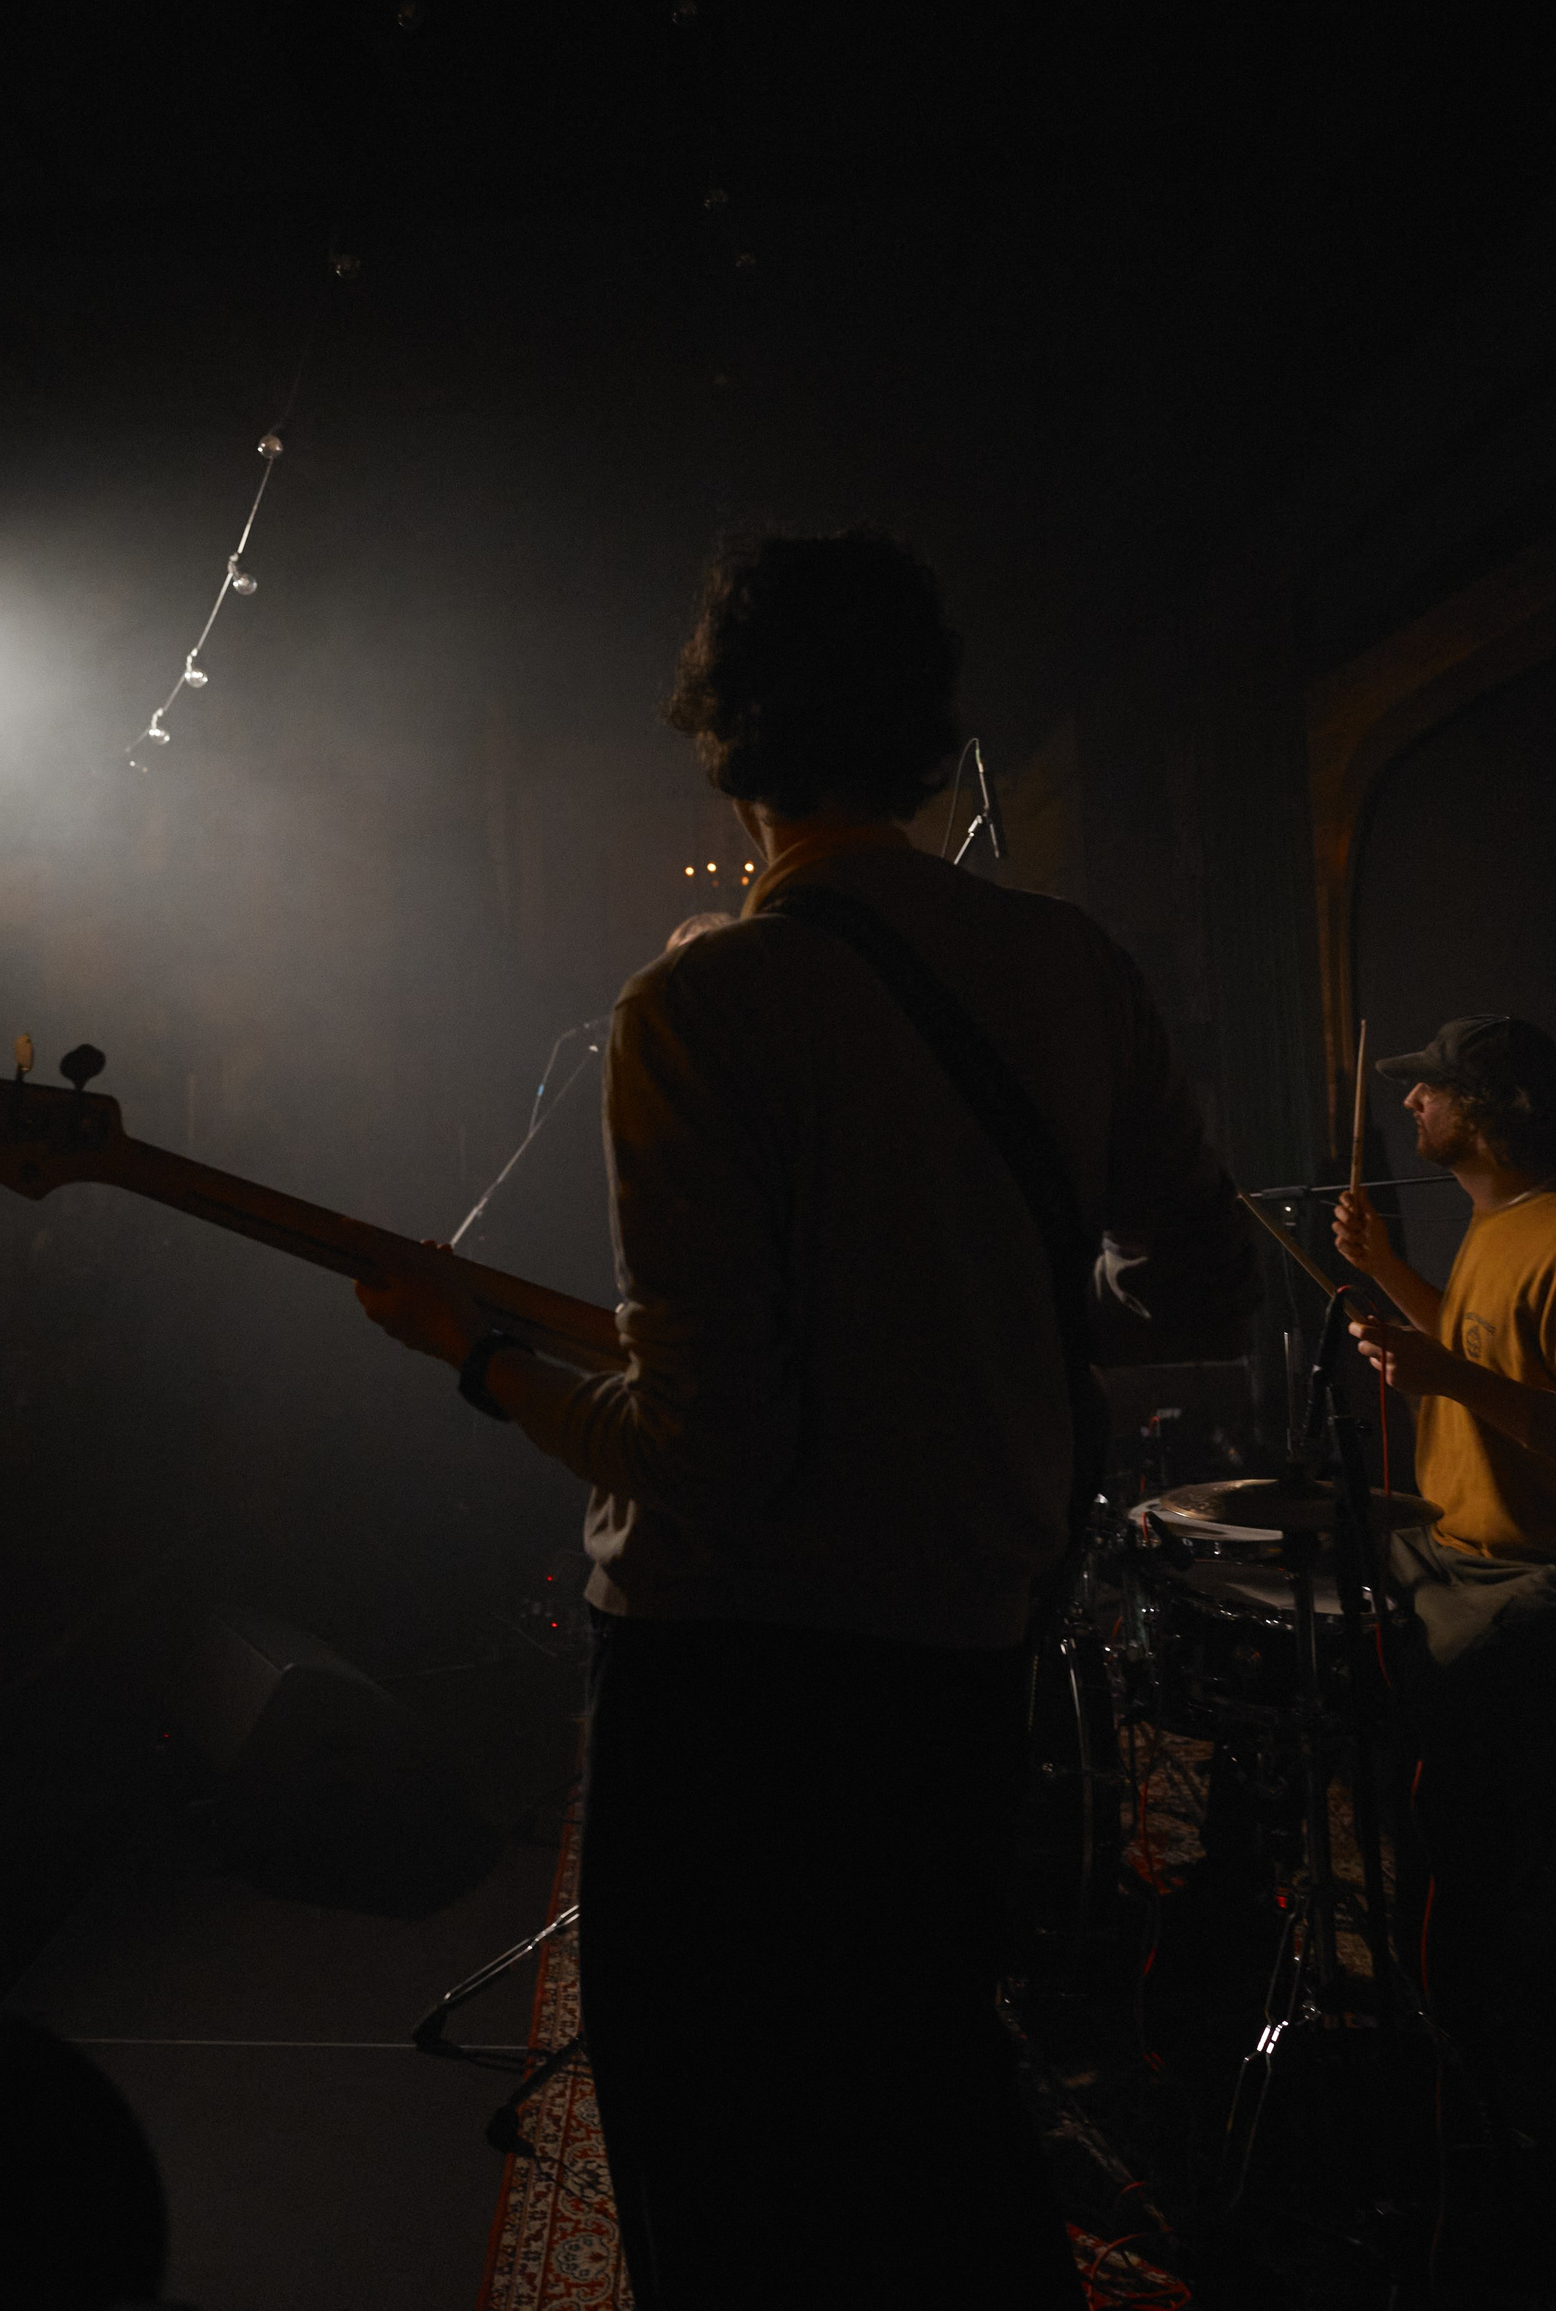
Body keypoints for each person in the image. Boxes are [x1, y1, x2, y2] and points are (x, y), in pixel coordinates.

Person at [358, 531, 1255, 2307]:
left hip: (736, 1683)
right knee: (930, 2106)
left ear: (728, 748)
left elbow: (705, 1456)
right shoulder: (1073, 964)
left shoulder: (701, 1002)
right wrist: (966, 1325)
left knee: (722, 2169)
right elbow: (1204, 1295)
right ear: (927, 734)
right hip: (968, 1648)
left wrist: (481, 1361)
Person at [1334, 1015, 1556, 2139]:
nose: (1412, 1102)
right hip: (1448, 1549)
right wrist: (1388, 1275)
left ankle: (1488, 2066)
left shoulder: (1554, 1236)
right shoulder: (1493, 1224)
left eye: (1433, 1088)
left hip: (1524, 1575)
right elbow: (1478, 1356)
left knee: (1467, 1833)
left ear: (1494, 1110)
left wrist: (1447, 1380)